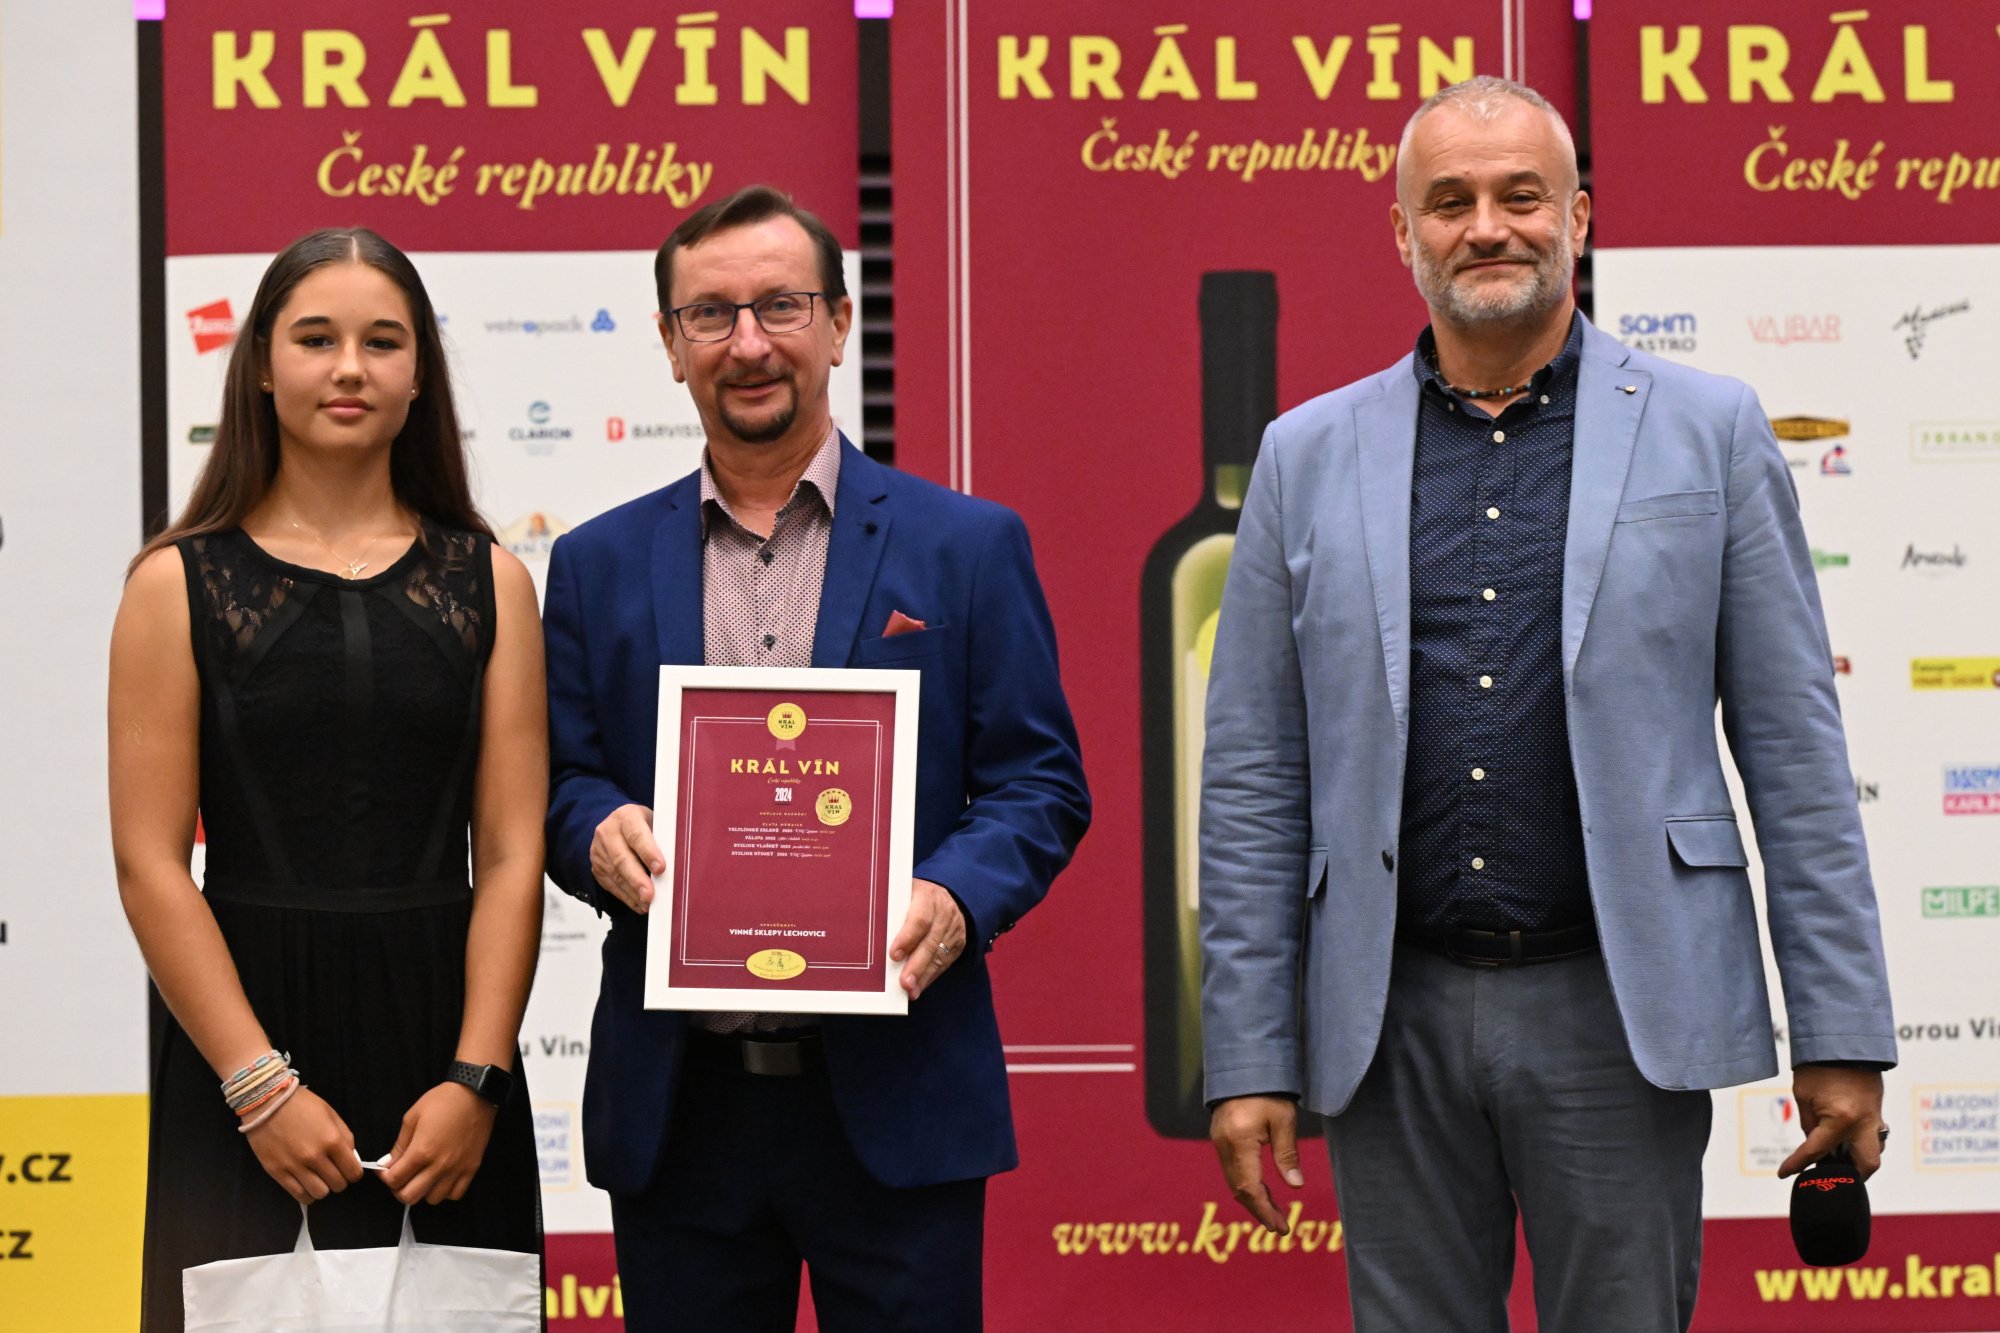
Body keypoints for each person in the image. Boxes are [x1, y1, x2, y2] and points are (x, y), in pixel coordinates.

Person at [1199, 78, 1895, 1331]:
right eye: (1448, 201)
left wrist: (1838, 1032)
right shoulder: (1304, 455)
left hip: (1617, 1011)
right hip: (1388, 1015)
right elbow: (1254, 776)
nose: (1486, 226)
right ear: (1400, 233)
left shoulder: (1709, 433)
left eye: (1520, 195)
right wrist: (1247, 1051)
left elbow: (1793, 753)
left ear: (1576, 216)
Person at [542, 184, 1090, 1331]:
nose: (747, 343)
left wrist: (954, 894)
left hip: (898, 1100)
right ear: (670, 345)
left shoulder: (966, 547)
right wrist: (594, 831)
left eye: (780, 306)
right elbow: (559, 782)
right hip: (681, 1110)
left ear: (838, 324)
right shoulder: (595, 564)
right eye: (709, 314)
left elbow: (1040, 783)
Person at [110, 228, 547, 1330]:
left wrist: (477, 1080)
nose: (349, 367)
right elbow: (149, 863)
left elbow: (510, 853)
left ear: (419, 373)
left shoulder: (491, 580)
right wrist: (258, 1086)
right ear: (262, 364)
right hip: (242, 1046)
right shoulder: (173, 583)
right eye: (316, 338)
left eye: (381, 341)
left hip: (447, 1054)